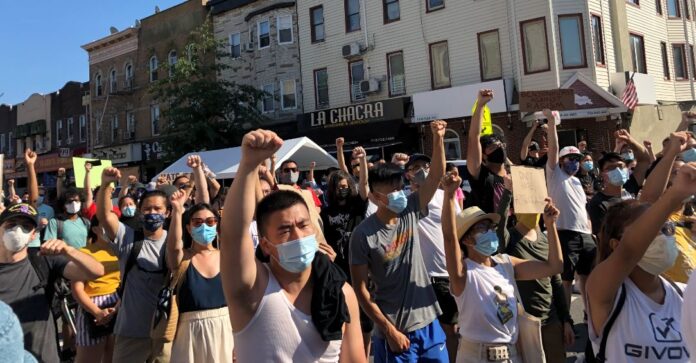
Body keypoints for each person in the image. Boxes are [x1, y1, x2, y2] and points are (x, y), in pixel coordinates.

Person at [220, 129, 365, 362]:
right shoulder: (252, 290)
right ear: (265, 245)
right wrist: (248, 165)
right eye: (285, 230)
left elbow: (355, 359)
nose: (298, 235)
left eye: (303, 225)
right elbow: (232, 235)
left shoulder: (340, 292)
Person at [585, 140, 696, 362]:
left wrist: (673, 151)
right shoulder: (605, 294)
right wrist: (675, 194)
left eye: (666, 228)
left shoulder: (684, 294)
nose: (663, 235)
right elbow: (629, 250)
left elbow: (648, 202)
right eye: (653, 229)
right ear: (615, 244)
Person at [350, 120, 449, 362]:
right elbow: (361, 291)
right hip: (395, 333)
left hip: (428, 323)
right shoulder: (363, 235)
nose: (400, 194)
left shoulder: (411, 209)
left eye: (401, 187)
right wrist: (388, 329)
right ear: (374, 196)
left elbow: (435, 175)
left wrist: (438, 138)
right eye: (392, 190)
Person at [440, 172, 563, 363]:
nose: (490, 232)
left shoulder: (506, 263)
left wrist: (550, 225)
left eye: (490, 227)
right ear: (466, 240)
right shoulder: (463, 273)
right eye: (481, 229)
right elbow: (449, 239)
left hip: (512, 355)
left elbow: (554, 266)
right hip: (475, 356)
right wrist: (449, 196)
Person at [0, 202, 104, 363]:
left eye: (26, 227)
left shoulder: (43, 260)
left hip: (43, 357)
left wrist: (69, 251)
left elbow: (96, 271)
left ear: (33, 235)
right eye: (11, 225)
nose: (18, 231)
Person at [97, 169, 172, 363]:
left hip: (165, 332)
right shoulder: (128, 237)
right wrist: (106, 185)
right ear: (140, 211)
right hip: (131, 331)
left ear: (168, 212)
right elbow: (105, 216)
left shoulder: (174, 242)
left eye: (157, 209)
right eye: (147, 209)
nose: (152, 213)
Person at [496, 180, 574, 362]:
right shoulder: (509, 239)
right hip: (524, 323)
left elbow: (556, 281)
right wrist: (508, 192)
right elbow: (498, 226)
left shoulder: (546, 239)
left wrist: (566, 320)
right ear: (514, 210)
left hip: (550, 319)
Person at [166, 189, 232, 363]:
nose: (205, 226)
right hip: (189, 334)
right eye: (197, 222)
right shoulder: (183, 259)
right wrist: (177, 211)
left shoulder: (226, 257)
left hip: (226, 330)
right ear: (188, 228)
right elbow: (173, 247)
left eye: (210, 222)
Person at [321, 147, 372, 354]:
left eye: (345, 186)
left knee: (366, 319)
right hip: (338, 270)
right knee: (345, 315)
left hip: (359, 267)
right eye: (339, 186)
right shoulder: (326, 213)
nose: (343, 189)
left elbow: (364, 185)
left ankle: (365, 354)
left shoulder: (357, 206)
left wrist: (362, 160)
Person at [545, 108, 595, 307]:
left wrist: (590, 232)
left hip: (585, 235)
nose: (574, 163)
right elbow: (553, 148)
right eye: (570, 159)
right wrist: (551, 124)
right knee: (566, 280)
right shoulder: (554, 175)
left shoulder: (577, 183)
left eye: (577, 159)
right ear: (561, 161)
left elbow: (583, 209)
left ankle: (589, 316)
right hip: (565, 234)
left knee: (587, 278)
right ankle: (566, 320)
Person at [417, 165, 463, 362]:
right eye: (414, 169)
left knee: (451, 330)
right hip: (424, 278)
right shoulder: (409, 201)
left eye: (426, 167)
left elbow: (458, 230)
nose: (421, 171)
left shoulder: (446, 197)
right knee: (429, 332)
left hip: (449, 274)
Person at [71, 216, 120, 363]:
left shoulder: (121, 250)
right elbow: (77, 289)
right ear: (95, 229)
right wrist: (97, 312)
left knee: (114, 357)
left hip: (118, 306)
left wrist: (117, 307)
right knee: (88, 357)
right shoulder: (84, 252)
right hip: (91, 309)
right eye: (106, 224)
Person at [467, 90, 507, 214]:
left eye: (500, 145)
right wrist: (480, 105)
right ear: (483, 155)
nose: (499, 148)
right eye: (492, 147)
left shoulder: (513, 173)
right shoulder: (482, 176)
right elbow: (474, 137)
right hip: (491, 231)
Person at [587, 152, 633, 236]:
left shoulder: (630, 194)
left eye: (620, 166)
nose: (617, 170)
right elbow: (603, 236)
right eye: (611, 168)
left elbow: (644, 160)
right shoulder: (598, 203)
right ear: (602, 174)